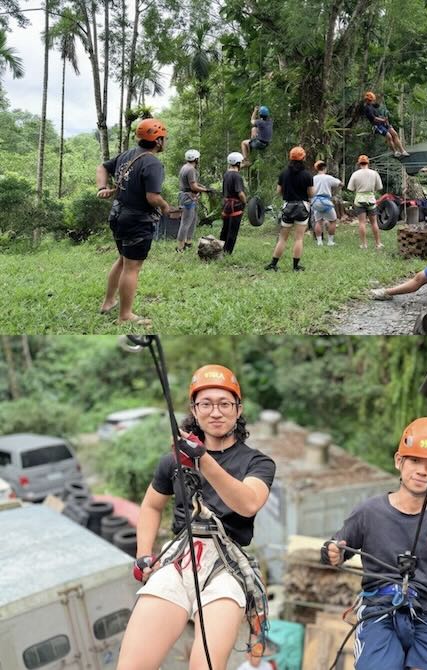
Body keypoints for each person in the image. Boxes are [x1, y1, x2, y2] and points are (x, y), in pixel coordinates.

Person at [116, 364, 276, 670]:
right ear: (194, 409)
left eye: (224, 404)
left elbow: (248, 503)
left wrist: (202, 459)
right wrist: (142, 554)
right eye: (206, 404)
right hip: (179, 558)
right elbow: (151, 506)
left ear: (238, 409)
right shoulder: (173, 461)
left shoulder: (257, 462)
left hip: (226, 567)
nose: (215, 412)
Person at [323, 417, 427, 669]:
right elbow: (336, 548)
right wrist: (332, 553)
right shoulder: (370, 512)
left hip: (425, 617)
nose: (421, 470)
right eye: (415, 460)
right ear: (399, 461)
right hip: (379, 613)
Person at [96, 118, 172, 326]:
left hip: (118, 215)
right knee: (132, 267)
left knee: (122, 259)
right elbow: (152, 198)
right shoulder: (153, 163)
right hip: (136, 220)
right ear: (157, 141)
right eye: (164, 138)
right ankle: (125, 315)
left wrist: (102, 187)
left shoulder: (128, 154)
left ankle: (108, 302)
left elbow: (102, 167)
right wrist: (165, 207)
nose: (165, 142)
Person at [266, 146, 314, 272]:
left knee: (282, 238)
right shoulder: (307, 175)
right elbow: (311, 193)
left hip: (288, 205)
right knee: (299, 238)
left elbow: (278, 191)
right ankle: (296, 266)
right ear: (303, 158)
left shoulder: (284, 173)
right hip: (302, 206)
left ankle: (273, 263)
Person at [347, 155, 385, 250]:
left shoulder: (355, 174)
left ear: (359, 163)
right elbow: (379, 187)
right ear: (368, 163)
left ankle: (364, 245)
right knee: (374, 223)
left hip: (359, 199)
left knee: (362, 223)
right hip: (371, 199)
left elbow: (350, 188)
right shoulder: (374, 173)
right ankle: (378, 243)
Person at [177, 149, 211, 253]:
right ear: (196, 159)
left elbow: (194, 184)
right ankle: (180, 247)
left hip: (189, 197)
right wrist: (206, 190)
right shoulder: (191, 169)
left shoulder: (185, 167)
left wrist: (203, 187)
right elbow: (193, 186)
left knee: (192, 220)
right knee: (186, 222)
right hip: (188, 198)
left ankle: (188, 242)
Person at [361, 91, 408, 158]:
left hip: (383, 122)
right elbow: (374, 119)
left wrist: (381, 96)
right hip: (377, 125)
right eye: (370, 101)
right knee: (389, 136)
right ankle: (395, 152)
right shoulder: (367, 108)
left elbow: (378, 104)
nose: (372, 102)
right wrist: (383, 120)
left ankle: (402, 151)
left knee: (394, 134)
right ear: (367, 100)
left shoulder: (372, 105)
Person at [219, 152, 247, 256]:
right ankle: (227, 253)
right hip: (235, 206)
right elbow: (240, 193)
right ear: (238, 163)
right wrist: (245, 201)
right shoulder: (237, 176)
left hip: (226, 205)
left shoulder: (226, 174)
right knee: (233, 231)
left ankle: (220, 249)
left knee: (225, 229)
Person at [311, 161, 342, 247]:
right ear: (325, 168)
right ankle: (330, 241)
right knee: (333, 220)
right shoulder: (328, 177)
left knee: (318, 221)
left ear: (317, 169)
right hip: (325, 201)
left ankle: (319, 242)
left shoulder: (313, 178)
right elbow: (340, 184)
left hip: (316, 201)